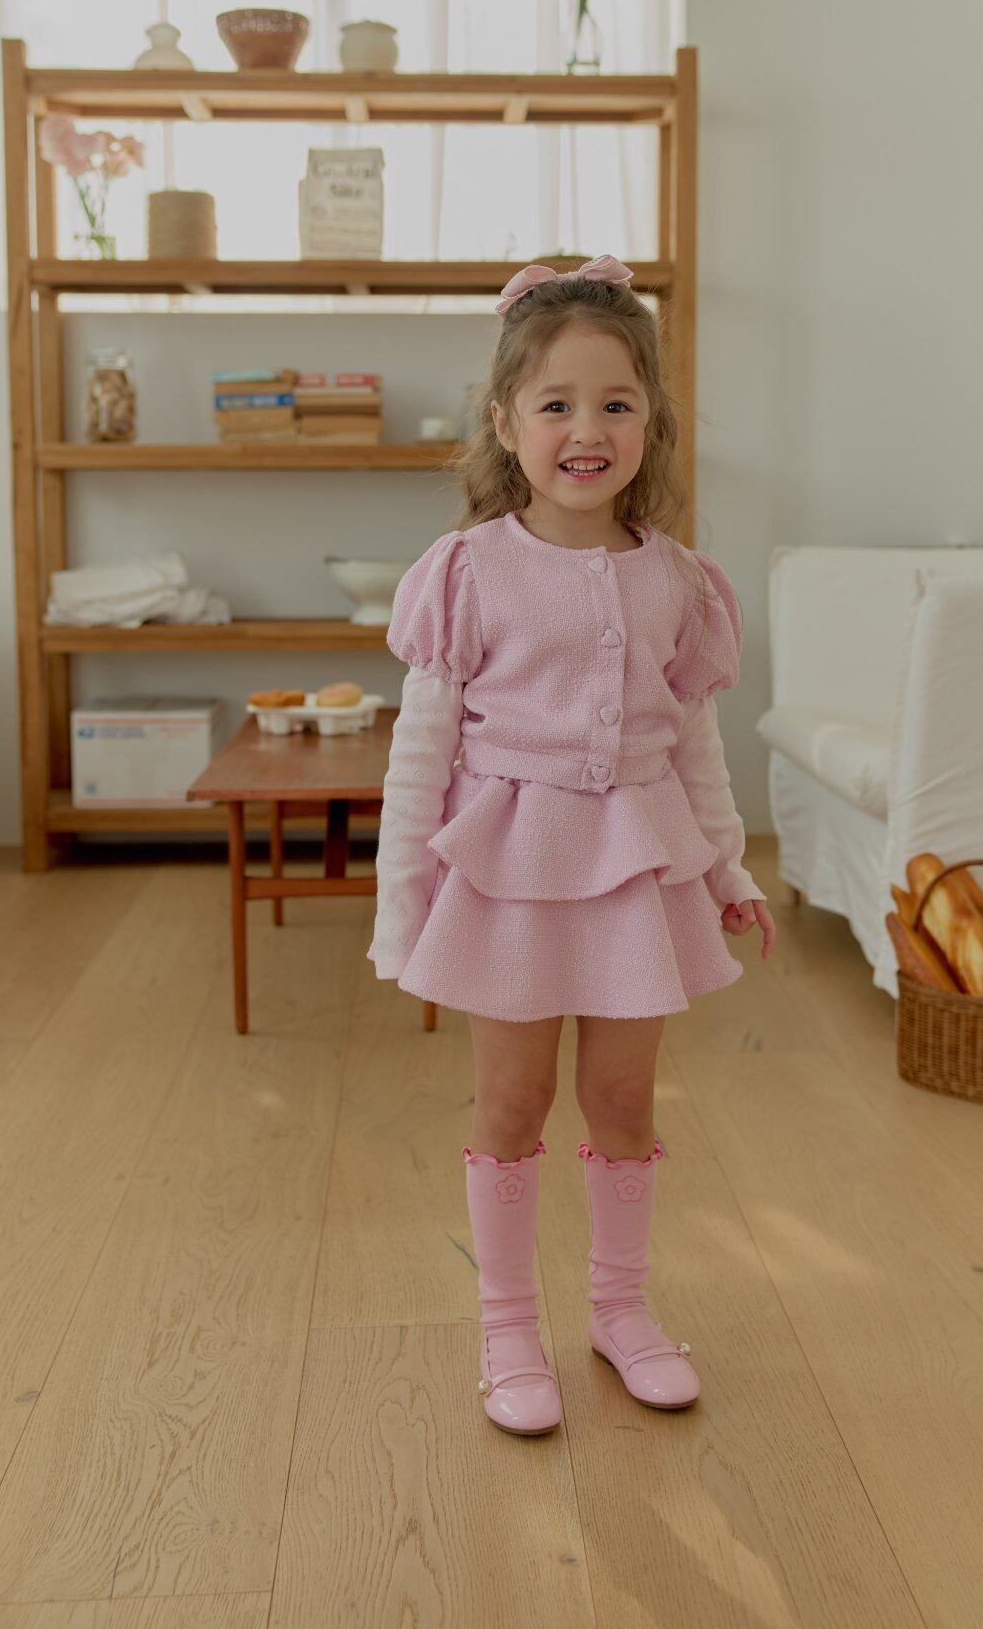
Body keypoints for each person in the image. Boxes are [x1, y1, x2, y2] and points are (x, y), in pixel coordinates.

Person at [366, 253, 776, 1437]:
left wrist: (728, 866)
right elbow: (418, 756)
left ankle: (618, 1308)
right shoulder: (466, 573)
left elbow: (694, 748)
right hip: (507, 875)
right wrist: (403, 904)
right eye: (555, 404)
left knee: (622, 1098)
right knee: (511, 1101)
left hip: (634, 873)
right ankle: (506, 1325)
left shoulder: (679, 583)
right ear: (504, 423)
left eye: (615, 403)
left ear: (652, 420)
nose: (586, 430)